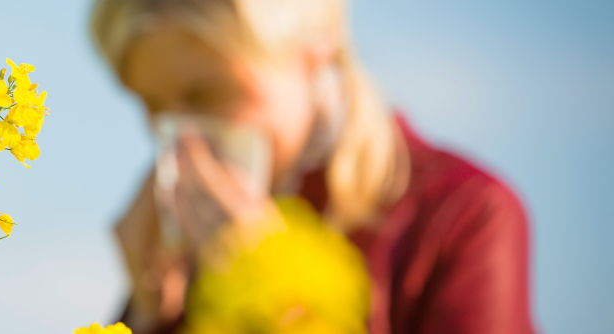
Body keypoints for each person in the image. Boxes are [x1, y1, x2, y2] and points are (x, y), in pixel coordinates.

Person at [89, 0, 537, 333]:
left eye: (207, 94)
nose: (181, 135)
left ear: (316, 49)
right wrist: (148, 315)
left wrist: (267, 282)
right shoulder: (191, 234)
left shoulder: (463, 216)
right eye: (151, 104)